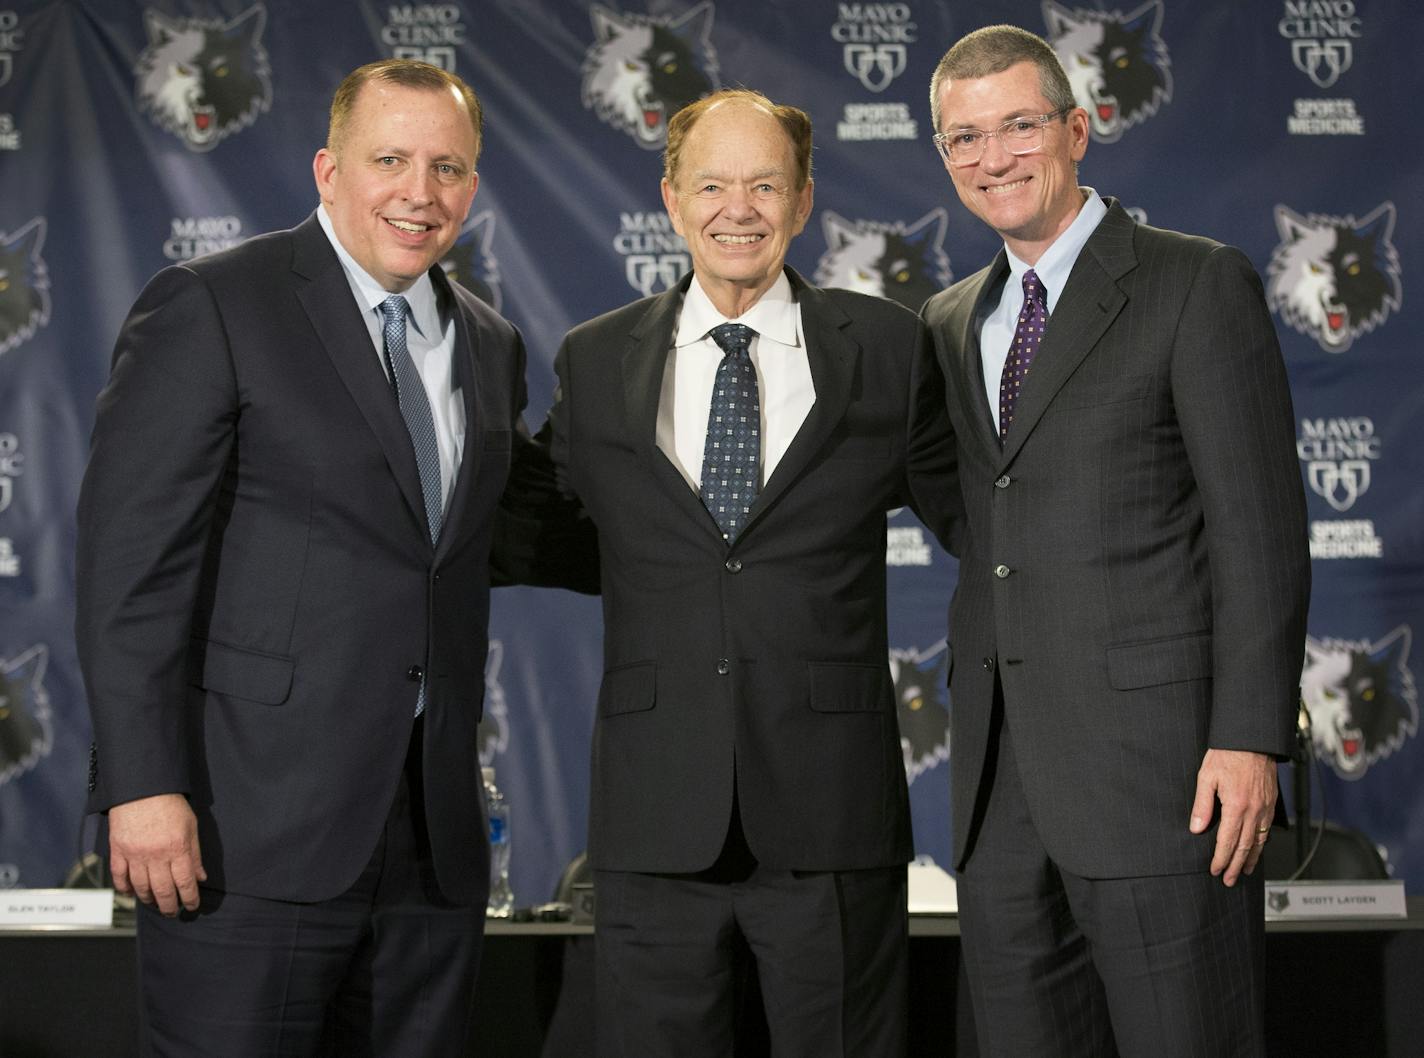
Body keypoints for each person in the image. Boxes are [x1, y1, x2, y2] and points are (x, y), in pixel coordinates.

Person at [75, 59, 591, 1056]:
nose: (419, 191)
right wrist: (141, 783)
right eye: (389, 159)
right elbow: (130, 566)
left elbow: (506, 538)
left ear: (473, 189)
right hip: (244, 829)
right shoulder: (214, 304)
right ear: (327, 169)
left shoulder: (487, 345)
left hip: (429, 847)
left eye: (447, 167)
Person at [920, 24, 1310, 1058]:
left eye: (1016, 126)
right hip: (998, 797)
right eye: (963, 138)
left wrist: (1248, 736)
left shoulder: (1193, 283)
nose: (991, 157)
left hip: (1165, 780)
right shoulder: (947, 321)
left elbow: (1258, 531)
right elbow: (978, 516)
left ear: (1076, 128)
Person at [546, 88, 960, 1057]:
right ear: (671, 200)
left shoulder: (888, 350)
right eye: (712, 184)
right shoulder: (595, 359)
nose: (738, 208)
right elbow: (542, 528)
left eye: (764, 183)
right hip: (655, 818)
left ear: (804, 199)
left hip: (831, 816)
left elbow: (989, 521)